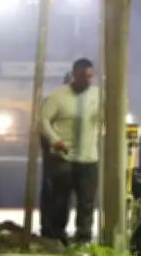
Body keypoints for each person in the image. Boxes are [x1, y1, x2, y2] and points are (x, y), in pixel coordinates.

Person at [39, 58, 100, 244]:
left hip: (88, 158)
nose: (87, 80)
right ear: (74, 74)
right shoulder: (58, 96)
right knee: (60, 200)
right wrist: (54, 140)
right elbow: (42, 120)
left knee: (87, 201)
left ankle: (83, 237)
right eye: (83, 76)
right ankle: (57, 236)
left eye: (90, 76)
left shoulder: (99, 95)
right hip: (63, 158)